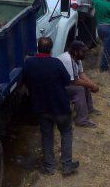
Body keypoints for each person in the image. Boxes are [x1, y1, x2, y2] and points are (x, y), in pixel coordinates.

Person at [23, 36, 80, 176]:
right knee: (66, 132)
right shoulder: (56, 63)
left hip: (41, 107)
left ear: (38, 47)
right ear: (51, 49)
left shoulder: (29, 63)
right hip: (60, 106)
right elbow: (67, 81)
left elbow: (25, 80)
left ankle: (50, 167)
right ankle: (67, 165)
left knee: (47, 136)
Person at [58, 41, 100, 128]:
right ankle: (81, 120)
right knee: (79, 89)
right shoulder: (67, 60)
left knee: (85, 85)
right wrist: (91, 86)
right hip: (58, 86)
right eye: (82, 51)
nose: (84, 53)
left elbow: (81, 73)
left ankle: (89, 109)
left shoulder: (76, 58)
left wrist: (92, 84)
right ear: (75, 51)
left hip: (66, 83)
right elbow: (75, 81)